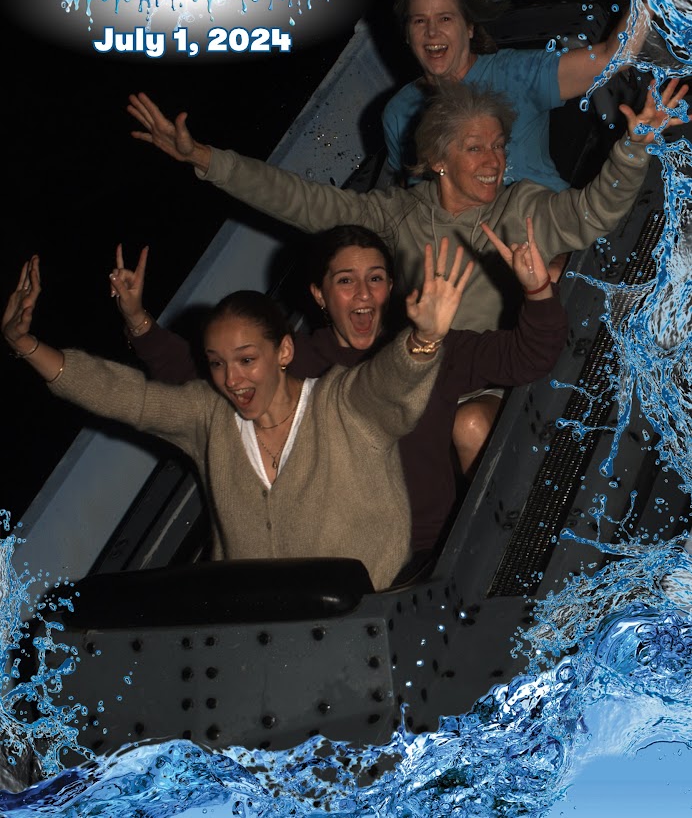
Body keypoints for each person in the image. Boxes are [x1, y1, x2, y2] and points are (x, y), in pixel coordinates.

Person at [125, 75, 687, 471]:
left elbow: (588, 214)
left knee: (468, 428)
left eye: (497, 146)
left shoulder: (522, 206)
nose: (493, 160)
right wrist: (203, 157)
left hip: (495, 376)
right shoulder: (398, 214)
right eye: (475, 148)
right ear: (439, 159)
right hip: (416, 380)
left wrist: (632, 151)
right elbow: (302, 201)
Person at [4, 239, 477, 591]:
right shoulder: (210, 417)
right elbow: (124, 396)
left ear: (284, 350)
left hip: (372, 612)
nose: (232, 379)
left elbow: (389, 383)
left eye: (247, 360)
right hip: (255, 628)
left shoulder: (341, 405)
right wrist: (25, 345)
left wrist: (424, 339)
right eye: (216, 364)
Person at [109, 222, 567, 560]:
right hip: (336, 562)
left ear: (390, 287)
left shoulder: (430, 347)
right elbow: (196, 370)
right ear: (320, 295)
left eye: (376, 278)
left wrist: (537, 290)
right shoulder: (295, 362)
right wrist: (138, 321)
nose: (363, 293)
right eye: (346, 281)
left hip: (432, 555)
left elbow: (528, 357)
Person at [382, 0, 648, 191]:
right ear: (406, 34)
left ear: (469, 27)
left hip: (548, 230)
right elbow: (408, 193)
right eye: (419, 21)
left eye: (445, 19)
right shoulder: (397, 111)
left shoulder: (515, 72)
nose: (432, 32)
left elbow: (611, 56)